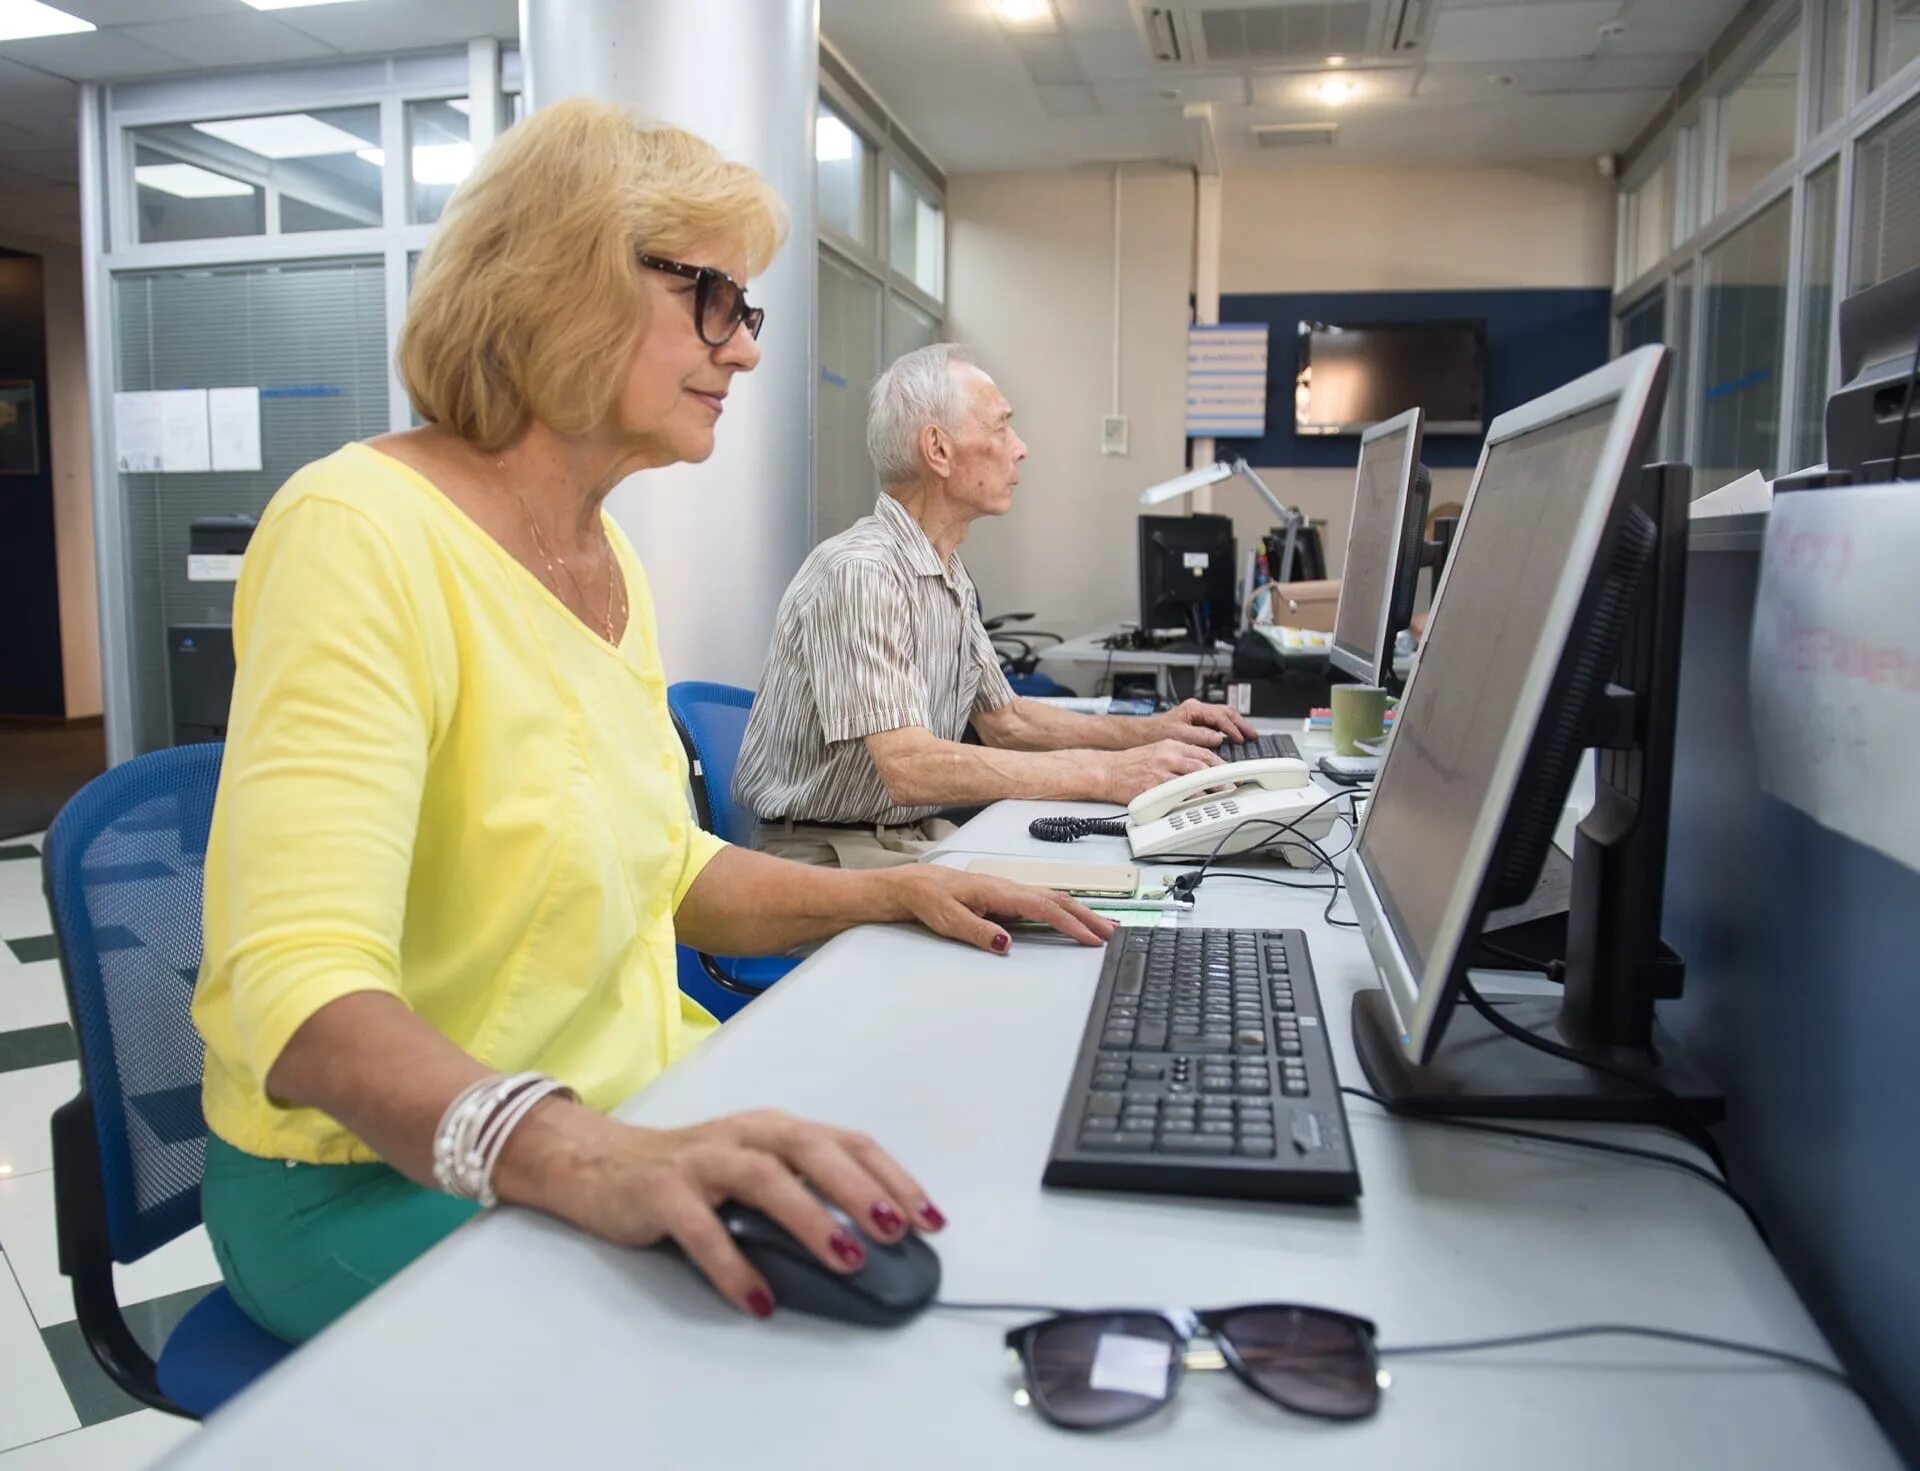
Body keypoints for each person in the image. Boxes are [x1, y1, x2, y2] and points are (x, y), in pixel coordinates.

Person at [191, 99, 1111, 1346]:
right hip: (376, 1177)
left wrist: (897, 894)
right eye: (714, 299)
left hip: (633, 1098)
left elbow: (656, 869)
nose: (742, 350)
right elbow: (292, 992)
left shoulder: (603, 551)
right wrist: (582, 1154)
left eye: (750, 309)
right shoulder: (357, 529)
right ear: (561, 278)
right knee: (789, 1364)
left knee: (969, 1177)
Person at [732, 343, 1260, 868]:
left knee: (1088, 887)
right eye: (1001, 427)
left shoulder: (946, 571)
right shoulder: (861, 572)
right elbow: (910, 767)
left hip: (902, 836)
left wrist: (1151, 732)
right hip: (827, 856)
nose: (1020, 447)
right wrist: (1105, 774)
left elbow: (1006, 720)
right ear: (938, 451)